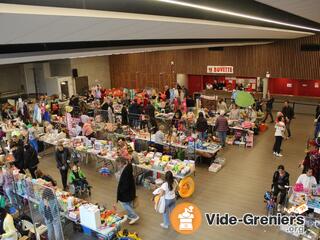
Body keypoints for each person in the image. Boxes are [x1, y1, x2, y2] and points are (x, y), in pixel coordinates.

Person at [116, 157, 139, 225]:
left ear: (121, 163)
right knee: (128, 202)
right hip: (130, 189)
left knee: (124, 203)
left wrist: (121, 190)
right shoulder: (129, 167)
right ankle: (130, 215)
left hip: (126, 190)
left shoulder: (125, 171)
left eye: (118, 164)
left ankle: (135, 216)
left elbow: (125, 182)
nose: (117, 166)